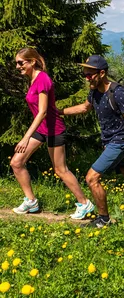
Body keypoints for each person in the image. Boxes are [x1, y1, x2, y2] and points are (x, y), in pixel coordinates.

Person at [58, 55, 124, 228]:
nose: (87, 79)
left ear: (102, 73)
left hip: (120, 141)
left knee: (91, 178)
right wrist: (58, 111)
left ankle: (103, 219)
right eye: (85, 75)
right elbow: (85, 108)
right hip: (110, 141)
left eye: (89, 75)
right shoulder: (94, 90)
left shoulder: (117, 92)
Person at [11, 48, 94, 219]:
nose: (18, 66)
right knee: (16, 162)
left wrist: (26, 138)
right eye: (16, 63)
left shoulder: (42, 79)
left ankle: (85, 203)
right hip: (42, 129)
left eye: (21, 62)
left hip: (53, 129)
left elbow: (42, 112)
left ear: (32, 61)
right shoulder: (32, 79)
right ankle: (31, 201)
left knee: (60, 169)